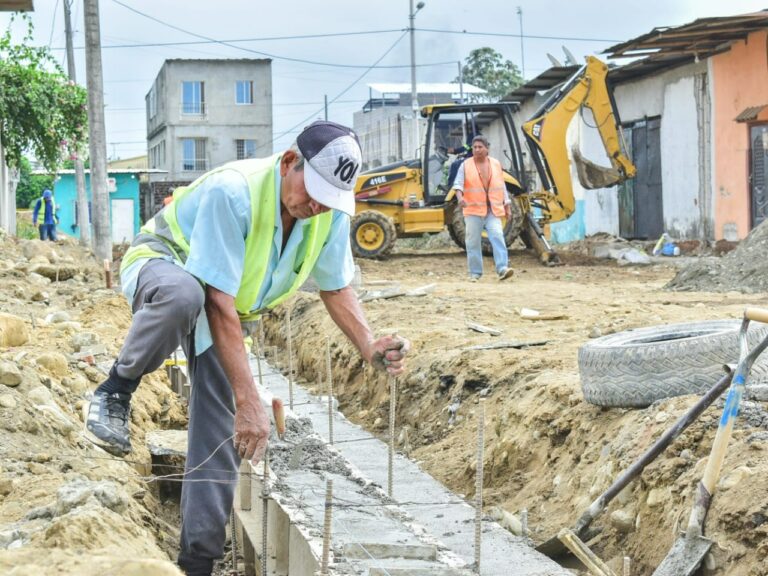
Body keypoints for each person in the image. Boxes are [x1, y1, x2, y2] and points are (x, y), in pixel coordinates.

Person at [84, 120, 410, 576]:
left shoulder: (326, 213)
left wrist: (367, 344)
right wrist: (249, 398)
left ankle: (196, 563)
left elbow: (336, 287)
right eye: (312, 190)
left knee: (220, 437)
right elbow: (216, 300)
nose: (315, 205)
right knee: (185, 299)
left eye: (327, 199)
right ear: (290, 161)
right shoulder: (234, 192)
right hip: (167, 267)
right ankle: (114, 391)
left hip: (226, 305)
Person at [451, 135, 515, 282]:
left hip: (493, 209)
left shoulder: (496, 164)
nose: (477, 150)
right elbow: (458, 185)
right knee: (472, 242)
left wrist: (507, 205)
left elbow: (502, 186)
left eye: (480, 147)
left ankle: (502, 268)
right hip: (473, 210)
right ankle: (475, 273)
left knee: (497, 236)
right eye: (474, 147)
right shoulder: (465, 165)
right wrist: (460, 199)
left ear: (487, 149)